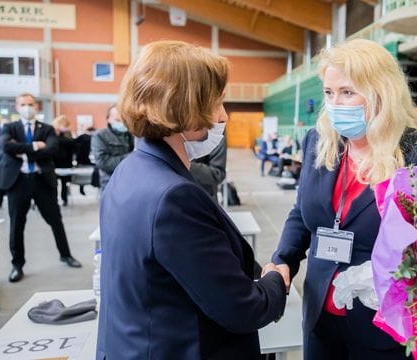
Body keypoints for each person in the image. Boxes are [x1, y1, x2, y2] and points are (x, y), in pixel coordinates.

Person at [96, 40, 289, 360]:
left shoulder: (131, 169)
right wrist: (273, 281)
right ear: (185, 106)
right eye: (217, 103)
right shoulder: (174, 197)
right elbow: (242, 309)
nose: (223, 116)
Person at [268, 39, 417, 359]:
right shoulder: (319, 141)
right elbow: (302, 211)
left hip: (384, 326)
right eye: (329, 93)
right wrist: (283, 259)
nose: (335, 103)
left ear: (382, 92)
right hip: (320, 317)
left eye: (347, 92)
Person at [0, 93, 82, 283]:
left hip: (42, 181)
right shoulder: (9, 127)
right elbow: (6, 148)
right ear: (16, 106)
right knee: (16, 224)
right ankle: (17, 264)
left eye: (30, 104)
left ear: (36, 107)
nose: (27, 107)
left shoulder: (47, 129)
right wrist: (35, 147)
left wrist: (22, 150)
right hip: (17, 181)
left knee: (55, 220)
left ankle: (66, 254)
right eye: (23, 104)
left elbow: (52, 149)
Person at [91, 104, 134, 192]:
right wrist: (131, 157)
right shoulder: (100, 136)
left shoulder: (133, 135)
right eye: (117, 120)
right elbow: (103, 162)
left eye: (124, 120)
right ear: (108, 119)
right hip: (110, 184)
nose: (122, 123)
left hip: (130, 183)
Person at [52, 115, 75, 206]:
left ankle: (64, 199)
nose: (66, 128)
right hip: (54, 163)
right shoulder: (52, 134)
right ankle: (54, 200)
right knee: (54, 184)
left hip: (66, 163)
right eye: (65, 126)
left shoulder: (67, 134)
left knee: (64, 183)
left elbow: (72, 145)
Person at [74, 126, 94, 196]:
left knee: (81, 174)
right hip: (84, 159)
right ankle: (82, 188)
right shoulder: (90, 138)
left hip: (80, 159)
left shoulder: (81, 137)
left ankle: (81, 188)